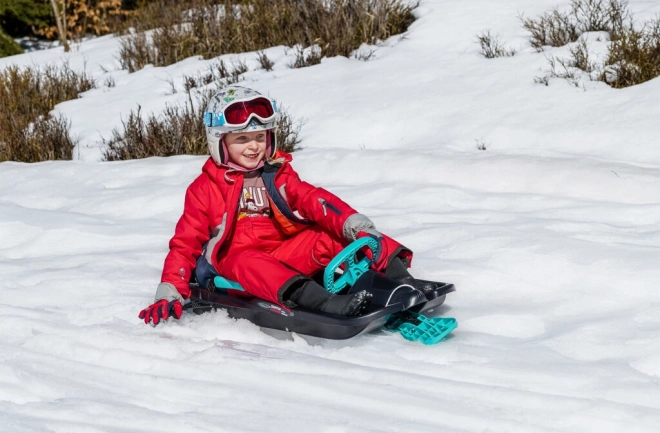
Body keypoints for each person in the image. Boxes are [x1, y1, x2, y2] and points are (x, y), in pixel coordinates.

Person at [139, 85, 426, 326]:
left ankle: (402, 278)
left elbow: (312, 198)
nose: (253, 147)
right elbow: (185, 244)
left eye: (259, 137)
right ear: (220, 142)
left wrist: (354, 225)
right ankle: (325, 302)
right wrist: (169, 291)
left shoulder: (276, 174)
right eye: (241, 139)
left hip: (283, 251)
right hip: (237, 261)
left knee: (326, 234)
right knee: (246, 260)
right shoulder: (204, 190)